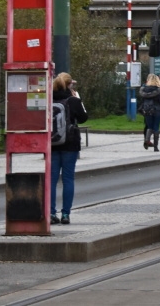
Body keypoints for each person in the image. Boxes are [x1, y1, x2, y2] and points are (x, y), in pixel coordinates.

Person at [50, 72, 87, 225]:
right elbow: (84, 117)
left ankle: (51, 213)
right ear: (70, 85)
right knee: (68, 179)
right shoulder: (73, 100)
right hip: (70, 144)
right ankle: (65, 214)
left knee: (51, 181)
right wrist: (78, 99)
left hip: (51, 144)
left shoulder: (48, 99)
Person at [139, 74, 160, 152]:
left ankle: (147, 140)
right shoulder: (158, 91)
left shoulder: (143, 90)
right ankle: (156, 147)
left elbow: (142, 101)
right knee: (156, 127)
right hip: (157, 110)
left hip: (147, 110)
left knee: (149, 127)